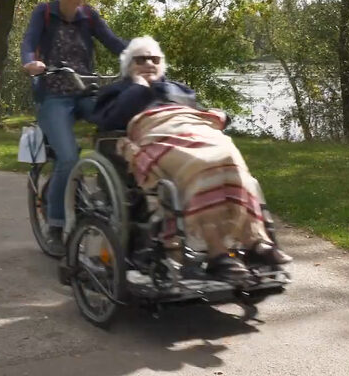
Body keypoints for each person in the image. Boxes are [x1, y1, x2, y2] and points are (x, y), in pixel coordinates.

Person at [92, 36, 291, 283]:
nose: (148, 63)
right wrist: (139, 87)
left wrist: (217, 115)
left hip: (195, 127)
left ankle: (255, 242)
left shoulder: (177, 89)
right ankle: (219, 255)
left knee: (228, 157)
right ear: (128, 66)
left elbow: (197, 111)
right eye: (140, 59)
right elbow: (109, 121)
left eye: (154, 59)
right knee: (199, 165)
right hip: (155, 133)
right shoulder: (116, 90)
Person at [21, 0, 127, 255]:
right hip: (54, 96)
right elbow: (29, 43)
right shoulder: (44, 12)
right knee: (68, 158)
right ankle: (55, 224)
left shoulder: (89, 16)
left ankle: (117, 198)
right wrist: (31, 62)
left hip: (85, 92)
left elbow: (116, 43)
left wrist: (144, 56)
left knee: (120, 130)